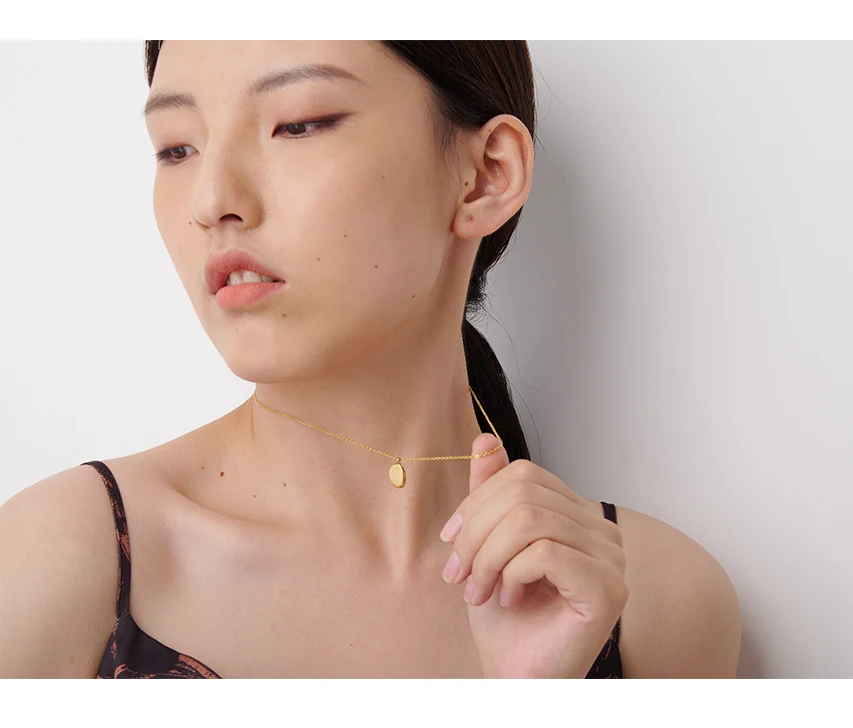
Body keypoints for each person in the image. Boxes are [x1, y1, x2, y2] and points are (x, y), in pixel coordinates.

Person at [0, 41, 741, 679]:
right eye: (176, 148)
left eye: (298, 124)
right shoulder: (58, 562)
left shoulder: (648, 603)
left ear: (486, 174)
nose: (211, 198)